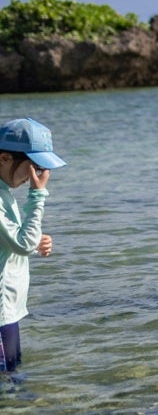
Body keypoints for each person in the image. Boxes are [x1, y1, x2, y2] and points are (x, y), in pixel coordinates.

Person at [0, 118, 65, 375]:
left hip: (7, 310)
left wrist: (34, 238)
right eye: (32, 168)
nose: (34, 177)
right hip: (2, 310)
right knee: (10, 377)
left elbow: (18, 240)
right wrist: (38, 196)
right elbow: (22, 245)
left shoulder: (4, 192)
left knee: (13, 376)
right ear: (5, 158)